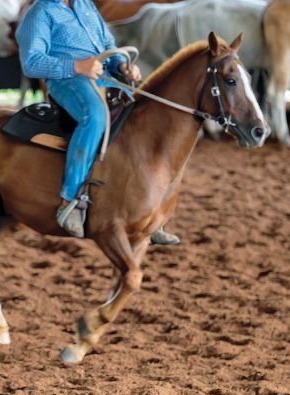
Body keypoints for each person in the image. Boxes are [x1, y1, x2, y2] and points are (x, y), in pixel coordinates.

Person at [16, 0, 179, 245]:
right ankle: (70, 201)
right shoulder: (39, 13)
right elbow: (31, 62)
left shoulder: (85, 5)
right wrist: (77, 66)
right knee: (95, 117)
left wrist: (122, 66)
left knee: (138, 117)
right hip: (66, 80)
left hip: (102, 77)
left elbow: (107, 45)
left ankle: (148, 211)